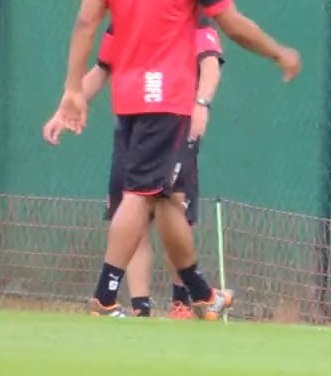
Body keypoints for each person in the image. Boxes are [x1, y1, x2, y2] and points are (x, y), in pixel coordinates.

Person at [44, 0, 301, 319]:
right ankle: (105, 296)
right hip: (167, 97)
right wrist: (278, 52)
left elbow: (86, 20)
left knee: (167, 197)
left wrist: (71, 88)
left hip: (129, 95)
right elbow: (232, 24)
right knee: (142, 195)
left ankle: (202, 295)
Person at [45, 17, 225, 319]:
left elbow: (210, 62)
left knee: (169, 204)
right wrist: (67, 109)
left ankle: (186, 299)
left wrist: (202, 103)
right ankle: (145, 306)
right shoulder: (126, 16)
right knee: (136, 212)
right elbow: (103, 68)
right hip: (132, 128)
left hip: (172, 122)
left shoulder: (193, 12)